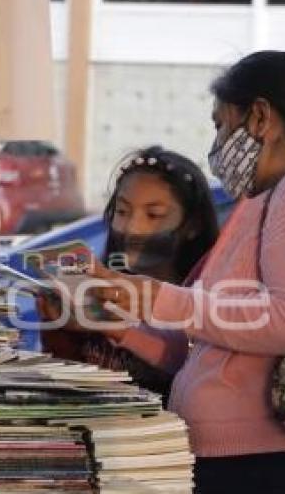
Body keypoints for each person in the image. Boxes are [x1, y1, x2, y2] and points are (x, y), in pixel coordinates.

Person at [90, 51, 285, 494]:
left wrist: (159, 298)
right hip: (239, 489)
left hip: (282, 493)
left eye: (222, 126)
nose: (217, 146)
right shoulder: (263, 201)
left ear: (260, 117)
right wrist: (124, 325)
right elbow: (214, 345)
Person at [38, 145, 219, 402]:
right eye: (122, 212)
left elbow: (192, 369)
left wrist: (114, 329)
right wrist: (59, 327)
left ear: (193, 225)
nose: (132, 227)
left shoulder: (204, 303)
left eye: (153, 214)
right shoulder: (96, 291)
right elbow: (68, 389)